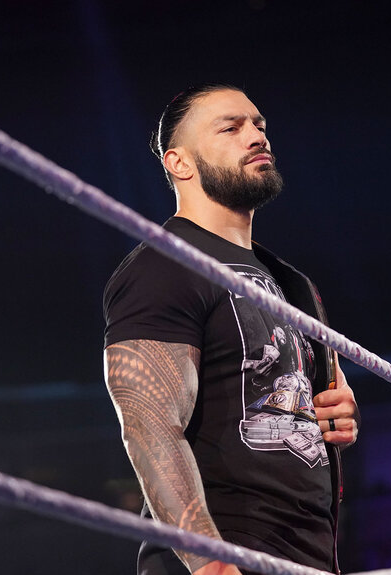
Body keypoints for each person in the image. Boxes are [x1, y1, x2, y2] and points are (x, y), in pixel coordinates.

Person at [103, 83, 360, 575]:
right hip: (220, 555)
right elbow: (149, 424)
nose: (257, 136)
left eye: (259, 125)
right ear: (180, 162)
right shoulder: (164, 265)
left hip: (307, 558)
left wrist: (336, 413)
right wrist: (211, 563)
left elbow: (315, 406)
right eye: (231, 127)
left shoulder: (294, 284)